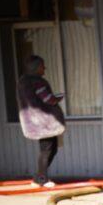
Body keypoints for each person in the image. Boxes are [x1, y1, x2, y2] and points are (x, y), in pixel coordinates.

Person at [16, 55, 65, 187]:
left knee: (50, 149)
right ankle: (41, 179)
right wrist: (59, 98)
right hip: (45, 122)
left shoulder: (23, 81)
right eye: (42, 66)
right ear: (36, 68)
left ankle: (38, 177)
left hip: (34, 122)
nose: (44, 68)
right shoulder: (37, 81)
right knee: (47, 150)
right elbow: (47, 99)